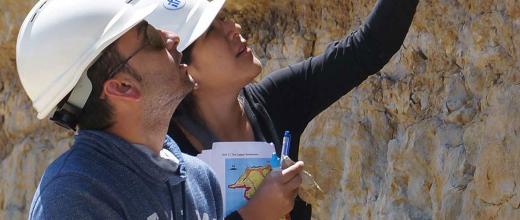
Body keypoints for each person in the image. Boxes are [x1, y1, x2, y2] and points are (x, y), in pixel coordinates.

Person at [145, 0, 420, 219]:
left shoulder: (272, 102)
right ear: (183, 67)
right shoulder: (166, 157)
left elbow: (367, 48)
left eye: (224, 17)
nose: (234, 26)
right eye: (211, 30)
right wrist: (251, 215)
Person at [17, 0, 223, 219]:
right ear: (122, 87)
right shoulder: (74, 197)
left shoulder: (201, 179)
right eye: (151, 37)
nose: (172, 37)